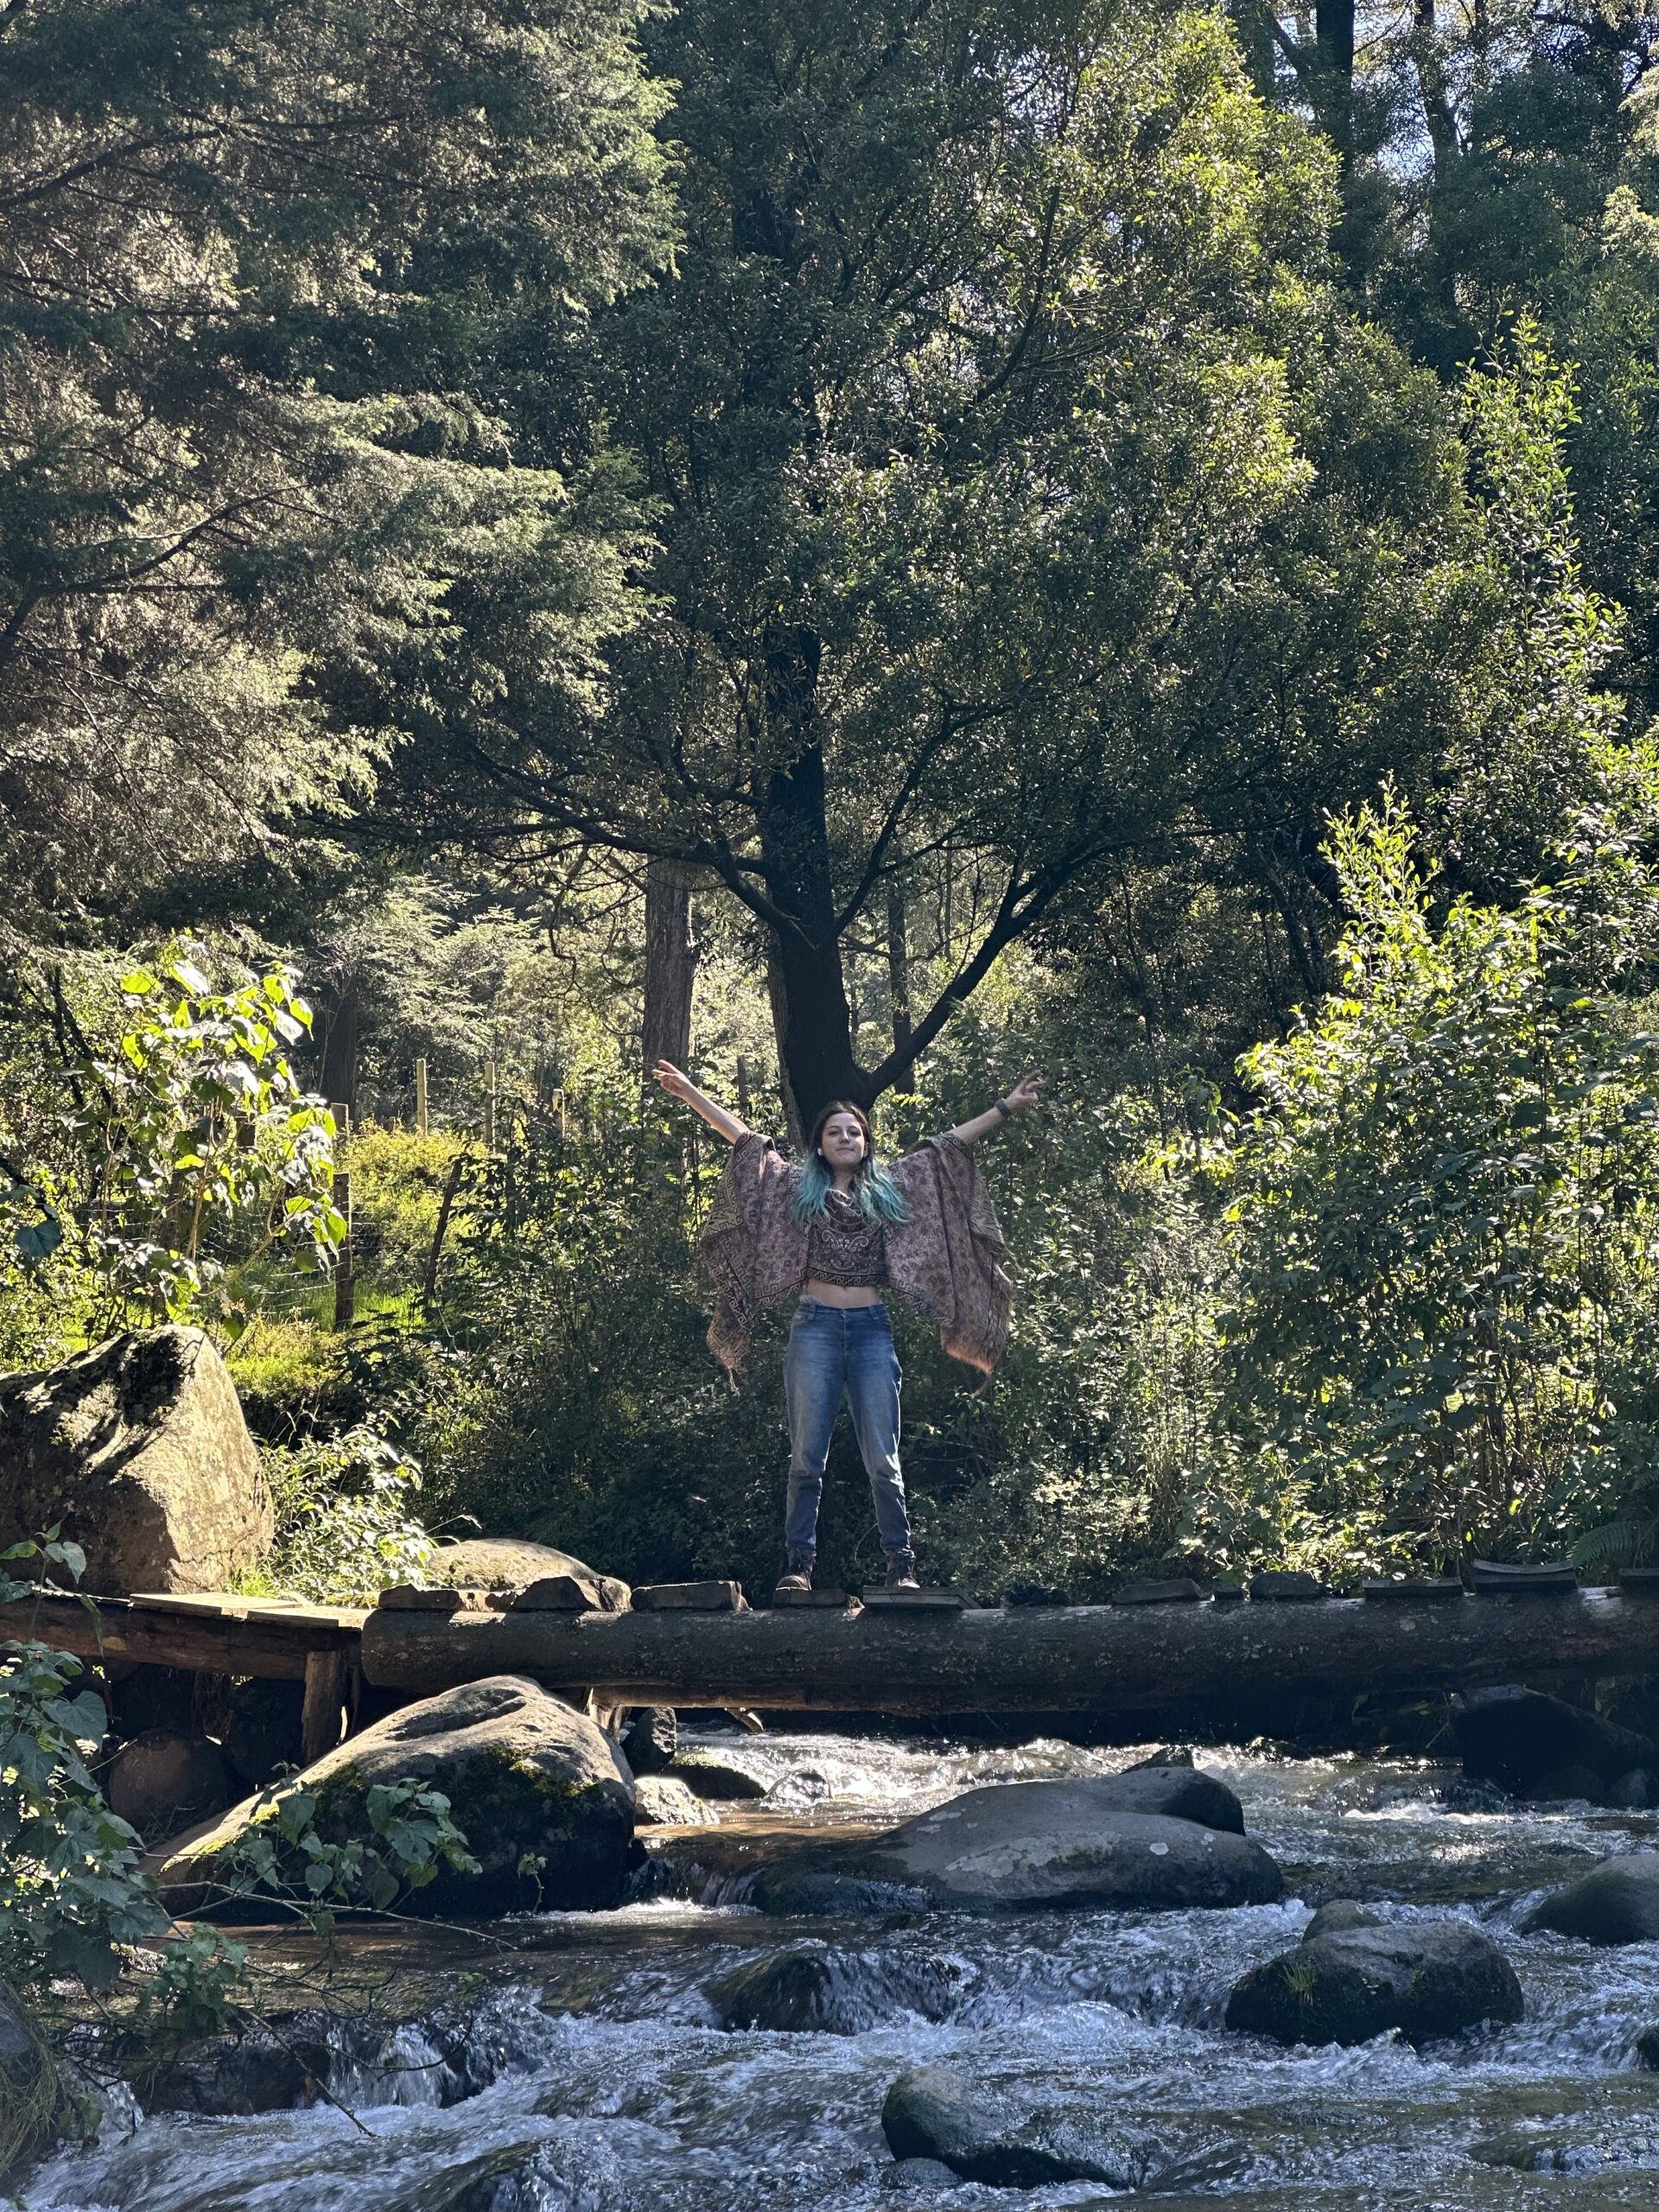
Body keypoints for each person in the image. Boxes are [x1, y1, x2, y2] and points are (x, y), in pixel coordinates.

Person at [652, 1061, 1042, 1594]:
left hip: (870, 1332)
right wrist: (691, 1092)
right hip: (813, 1329)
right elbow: (747, 1141)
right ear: (819, 1144)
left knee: (883, 1458)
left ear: (866, 1143)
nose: (844, 1138)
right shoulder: (796, 1188)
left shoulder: (893, 1186)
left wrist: (1004, 1107)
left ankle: (901, 1566)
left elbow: (944, 1148)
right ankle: (798, 1566)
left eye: (854, 1132)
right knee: (806, 1459)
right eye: (834, 1132)